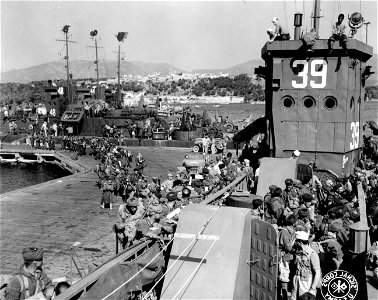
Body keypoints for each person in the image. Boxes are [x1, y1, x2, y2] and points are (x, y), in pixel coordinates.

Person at [291, 231, 321, 300]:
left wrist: (312, 288)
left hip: (306, 283)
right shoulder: (299, 252)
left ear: (300, 242)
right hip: (297, 280)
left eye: (296, 241)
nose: (295, 243)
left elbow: (317, 273)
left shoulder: (312, 254)